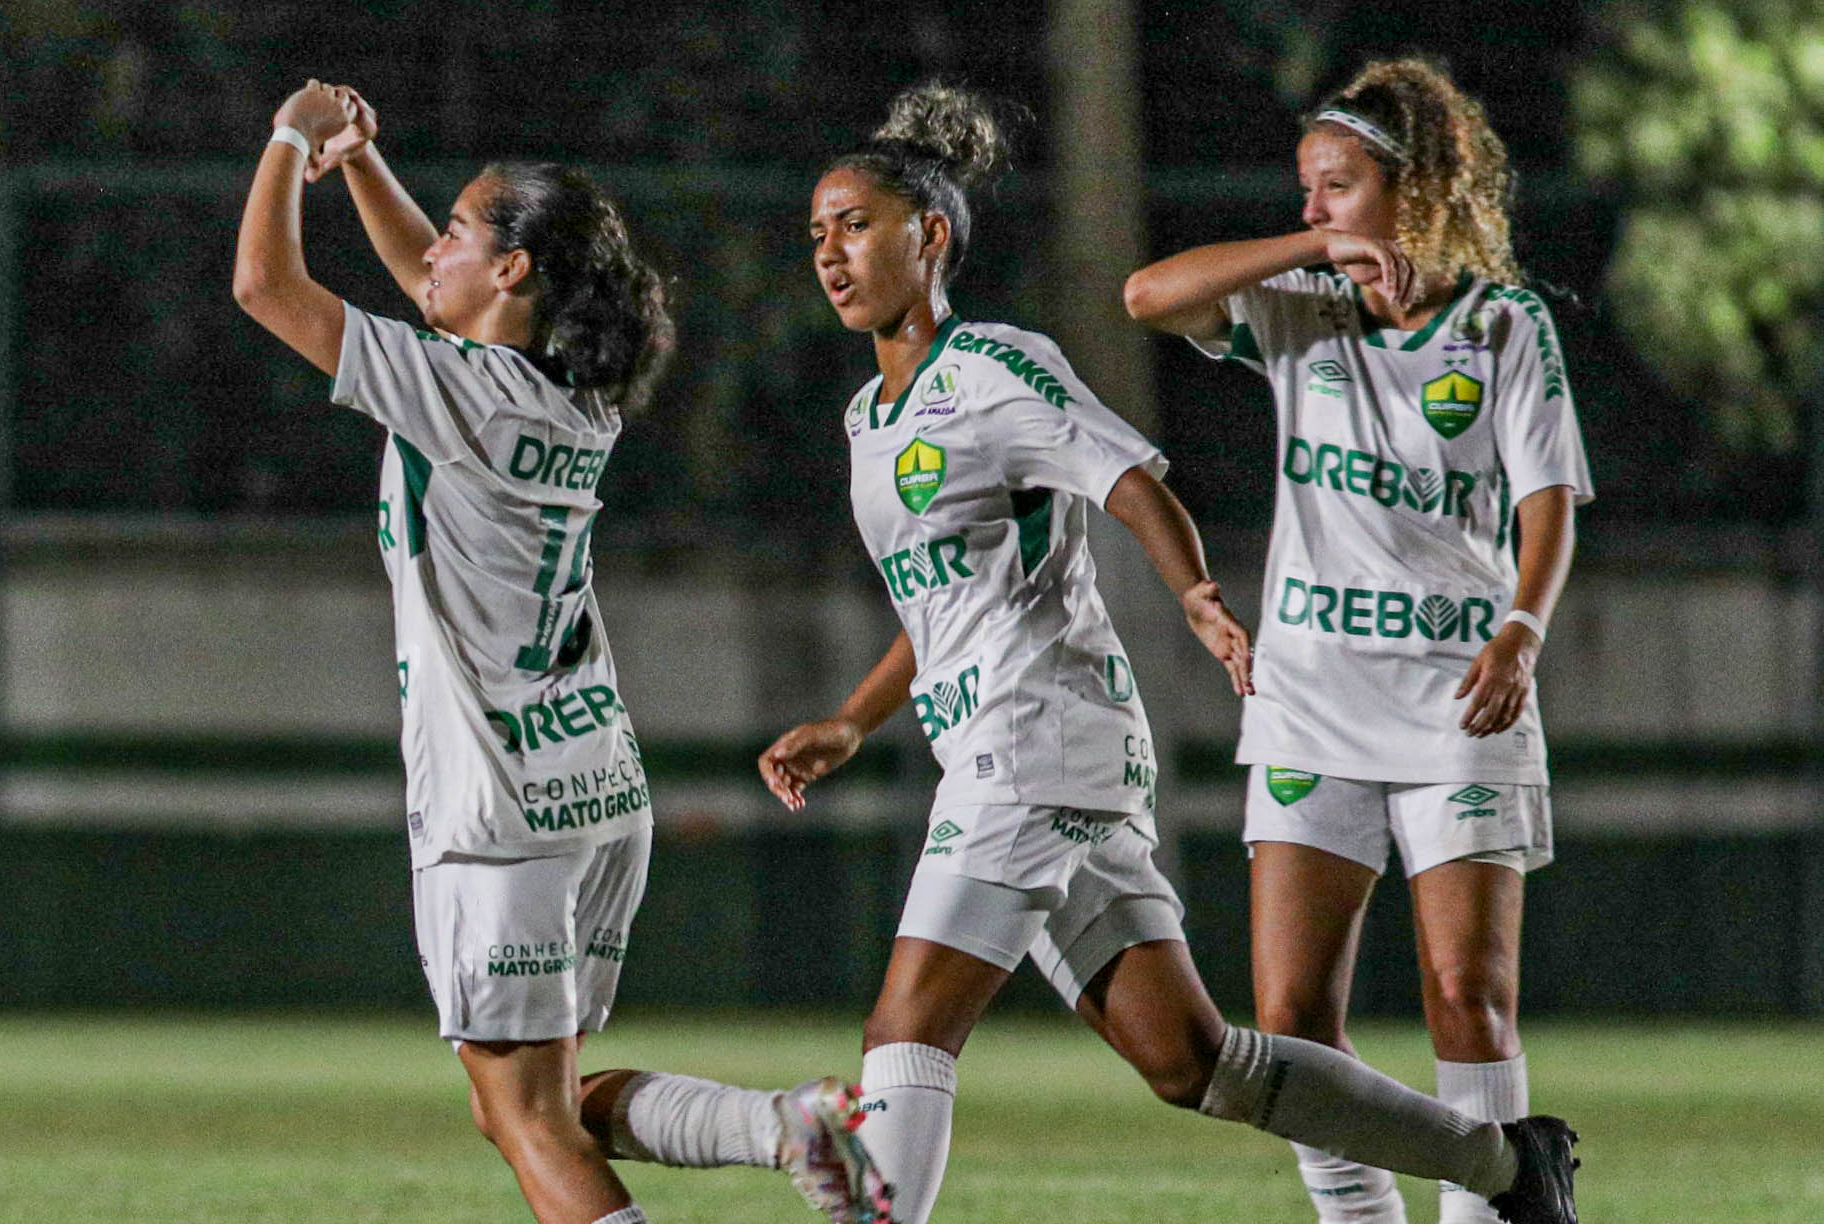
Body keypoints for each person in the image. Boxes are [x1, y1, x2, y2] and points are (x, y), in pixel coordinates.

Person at [233, 81, 889, 1224]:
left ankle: (786, 1127)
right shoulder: (573, 396)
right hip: (590, 788)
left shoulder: (455, 393)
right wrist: (366, 166)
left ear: (514, 272)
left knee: (527, 1117)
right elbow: (439, 293)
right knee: (532, 1103)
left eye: (457, 232)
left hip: (496, 807)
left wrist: (291, 138)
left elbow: (264, 287)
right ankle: (781, 1127)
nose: (432, 249)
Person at [1123, 57, 1592, 1224]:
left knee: (1465, 994)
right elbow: (1147, 297)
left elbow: (1547, 506)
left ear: (1414, 188)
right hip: (1311, 704)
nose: (1311, 206)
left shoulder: (1502, 324)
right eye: (1304, 187)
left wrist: (1522, 630)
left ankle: (1501, 1207)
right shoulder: (1300, 307)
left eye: (1335, 187)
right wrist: (1305, 252)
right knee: (1288, 1017)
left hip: (1459, 700)